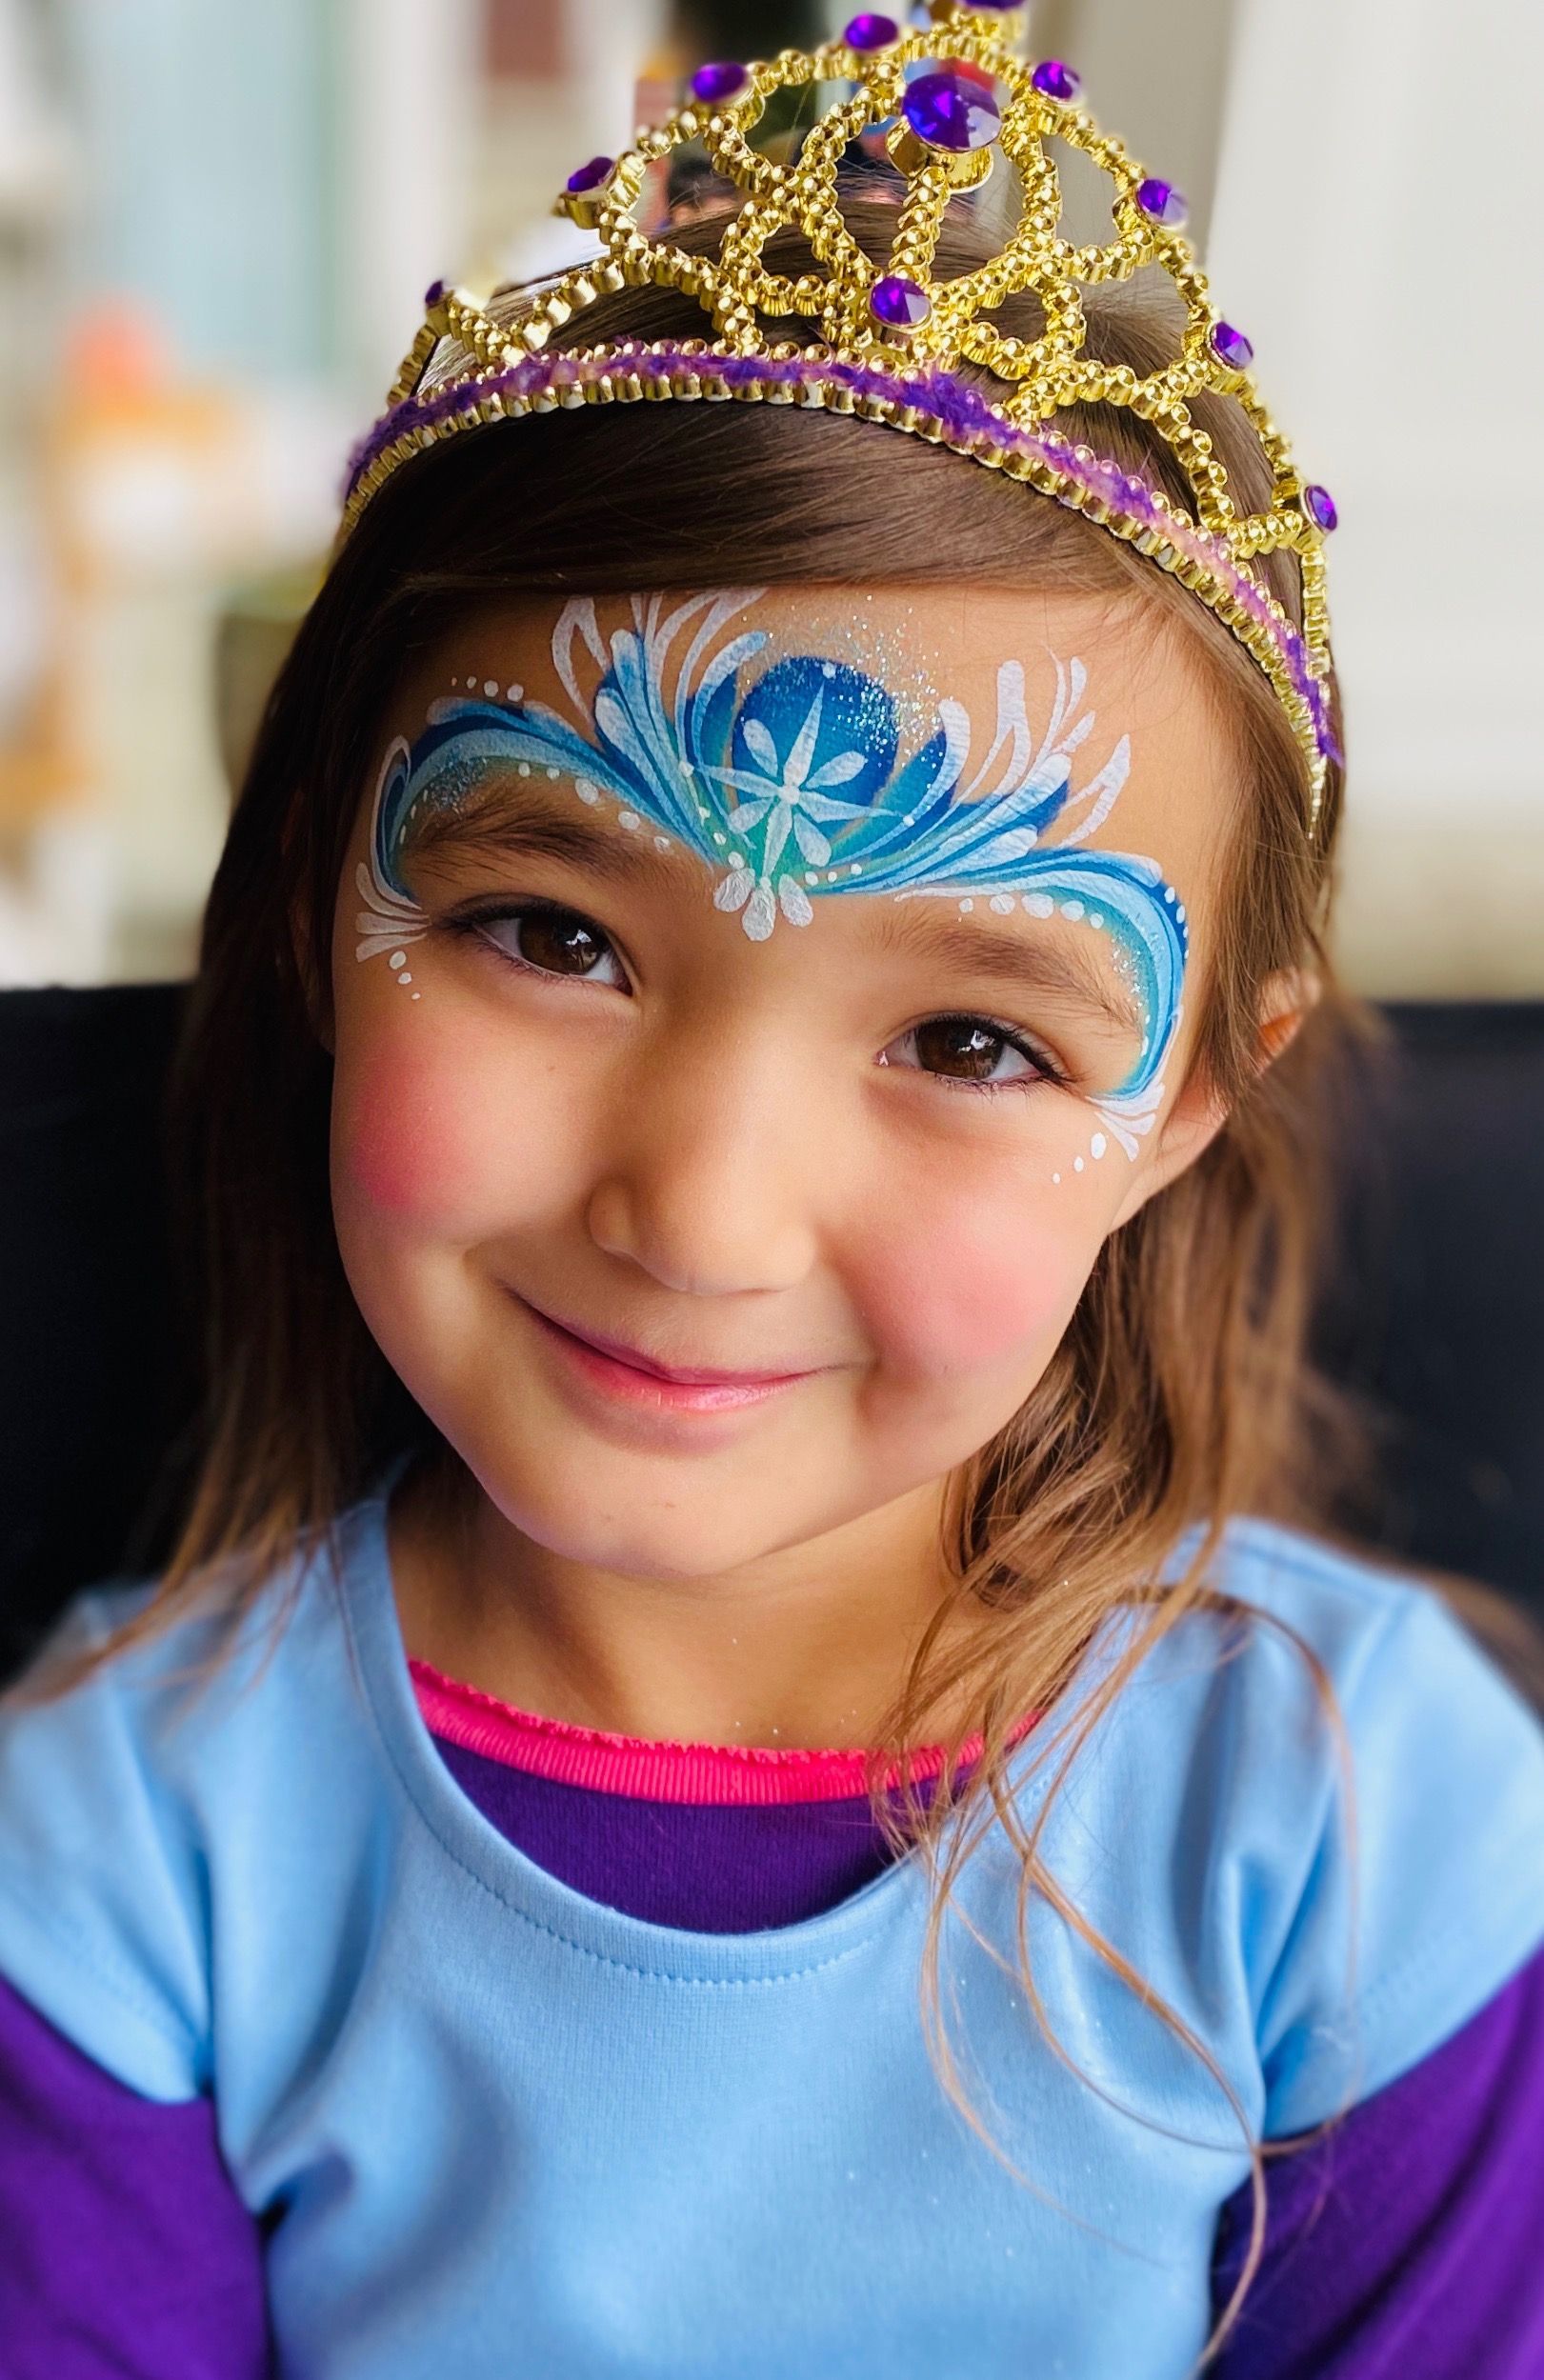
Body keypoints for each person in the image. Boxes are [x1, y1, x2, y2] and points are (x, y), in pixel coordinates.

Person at [4, 12, 1544, 2377]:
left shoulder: (1374, 1833)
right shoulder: (121, 1862)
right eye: (553, 933)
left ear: (1187, 1108)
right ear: (324, 892)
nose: (703, 1215)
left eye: (970, 1040)